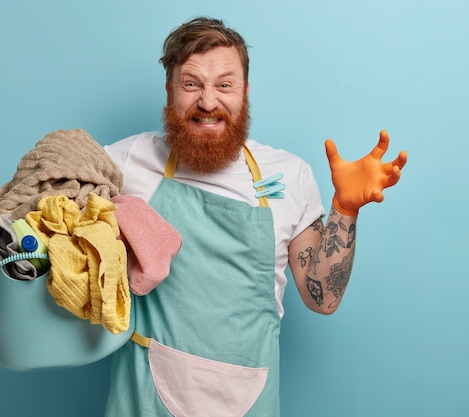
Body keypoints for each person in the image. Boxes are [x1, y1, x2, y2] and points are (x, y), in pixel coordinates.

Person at [103, 17, 407, 416]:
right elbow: (42, 212)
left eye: (224, 85)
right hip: (143, 397)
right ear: (169, 90)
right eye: (191, 84)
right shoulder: (127, 161)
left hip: (249, 399)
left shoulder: (291, 175)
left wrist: (344, 211)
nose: (208, 102)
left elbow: (324, 298)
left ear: (245, 91)